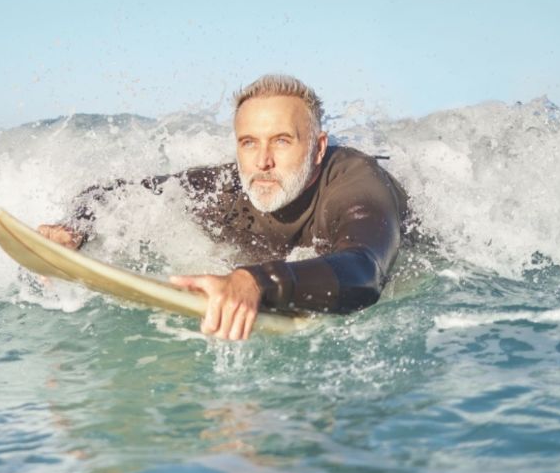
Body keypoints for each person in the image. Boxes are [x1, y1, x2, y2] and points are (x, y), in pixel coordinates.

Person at [38, 74, 411, 341]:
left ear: (316, 148)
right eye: (249, 143)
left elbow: (366, 271)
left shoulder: (354, 184)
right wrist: (75, 229)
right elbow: (114, 195)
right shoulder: (227, 187)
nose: (262, 161)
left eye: (282, 141)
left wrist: (257, 281)